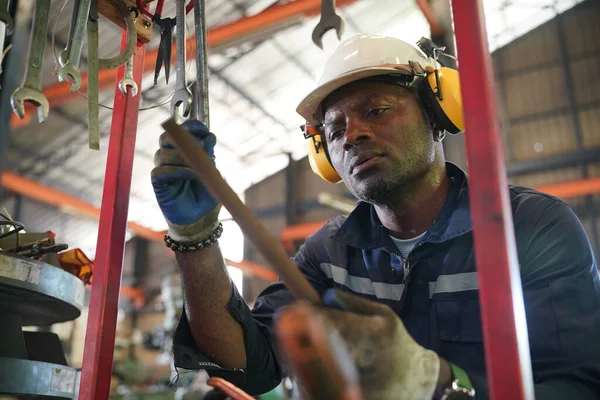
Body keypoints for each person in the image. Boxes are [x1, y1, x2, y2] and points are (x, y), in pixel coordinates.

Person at [152, 34, 600, 399]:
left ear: (438, 114)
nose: (353, 136)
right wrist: (196, 238)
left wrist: (442, 385)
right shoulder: (329, 253)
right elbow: (248, 367)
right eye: (333, 130)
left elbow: (578, 385)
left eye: (376, 110)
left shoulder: (530, 228)